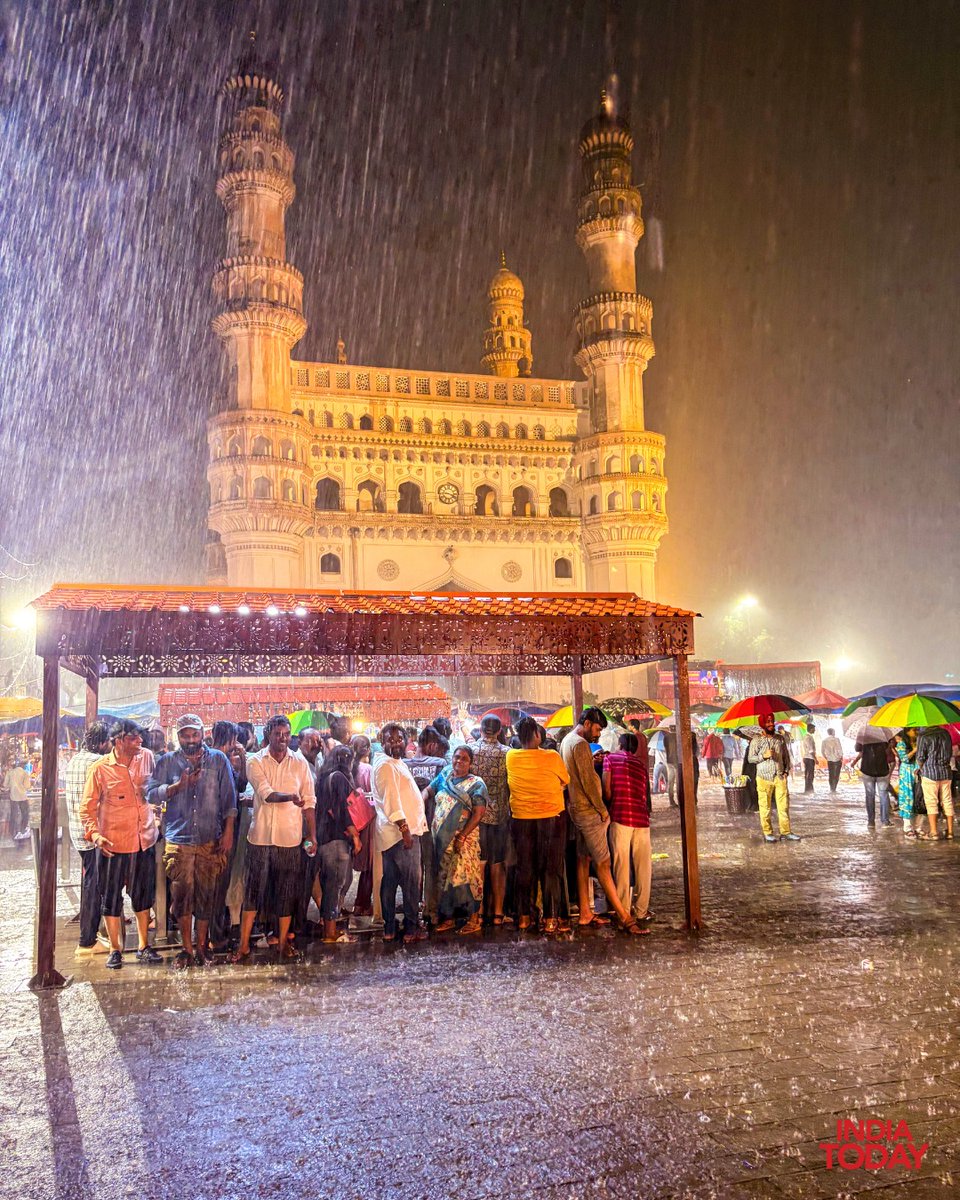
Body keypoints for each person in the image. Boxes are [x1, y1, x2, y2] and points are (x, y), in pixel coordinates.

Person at [147, 713, 236, 967]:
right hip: (179, 841)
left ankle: (202, 947)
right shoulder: (166, 762)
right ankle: (186, 949)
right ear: (178, 737)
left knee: (207, 896)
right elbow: (151, 794)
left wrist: (228, 832)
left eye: (194, 734)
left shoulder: (218, 760)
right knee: (182, 897)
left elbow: (229, 799)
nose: (191, 740)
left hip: (210, 840)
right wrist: (178, 787)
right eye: (185, 735)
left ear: (202, 734)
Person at [232, 715, 317, 962]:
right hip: (260, 839)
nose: (282, 739)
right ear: (268, 734)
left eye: (286, 734)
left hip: (290, 838)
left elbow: (310, 801)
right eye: (277, 734)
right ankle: (244, 944)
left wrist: (312, 835)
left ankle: (282, 944)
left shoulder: (299, 763)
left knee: (286, 893)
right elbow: (266, 794)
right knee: (253, 893)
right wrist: (290, 797)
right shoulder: (255, 761)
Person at [80, 720, 161, 969]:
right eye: (134, 738)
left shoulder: (147, 758)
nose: (140, 742)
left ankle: (143, 946)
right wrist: (95, 835)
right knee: (112, 899)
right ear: (118, 740)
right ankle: (115, 949)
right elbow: (87, 808)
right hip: (112, 845)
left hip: (144, 841)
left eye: (140, 737)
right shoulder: (100, 769)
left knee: (143, 897)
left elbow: (156, 788)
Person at [560, 707, 647, 935]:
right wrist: (602, 811)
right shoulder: (579, 744)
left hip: (576, 808)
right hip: (589, 812)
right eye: (597, 729)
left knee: (582, 859)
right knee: (604, 864)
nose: (598, 735)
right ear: (587, 723)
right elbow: (589, 782)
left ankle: (585, 913)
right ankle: (626, 917)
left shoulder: (568, 740)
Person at [505, 717, 569, 933]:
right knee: (550, 870)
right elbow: (565, 780)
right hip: (551, 819)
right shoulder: (551, 756)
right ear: (536, 735)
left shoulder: (511, 757)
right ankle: (550, 919)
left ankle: (524, 917)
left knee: (524, 869)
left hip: (521, 820)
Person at [422, 746, 488, 935]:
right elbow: (429, 789)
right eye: (456, 757)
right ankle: (449, 917)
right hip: (441, 839)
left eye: (464, 759)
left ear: (471, 762)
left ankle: (474, 919)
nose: (459, 761)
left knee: (467, 877)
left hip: (463, 839)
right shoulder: (445, 776)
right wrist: (421, 798)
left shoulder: (477, 784)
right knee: (445, 879)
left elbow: (478, 814)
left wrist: (462, 835)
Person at [373, 723, 428, 944]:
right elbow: (392, 802)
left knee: (391, 881)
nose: (395, 743)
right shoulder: (386, 766)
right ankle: (411, 928)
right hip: (400, 834)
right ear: (382, 741)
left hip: (394, 833)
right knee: (410, 882)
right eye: (390, 740)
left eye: (399, 739)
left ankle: (390, 928)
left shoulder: (393, 762)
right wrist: (405, 830)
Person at [65, 721, 112, 958]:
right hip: (93, 833)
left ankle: (97, 930)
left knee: (91, 882)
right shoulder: (97, 763)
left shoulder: (74, 760)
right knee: (93, 885)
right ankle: (86, 941)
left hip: (77, 831)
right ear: (103, 742)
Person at [603, 733, 653, 923]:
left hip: (621, 816)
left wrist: (609, 802)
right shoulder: (640, 765)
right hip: (641, 819)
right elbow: (645, 795)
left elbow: (607, 789)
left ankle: (624, 910)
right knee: (643, 867)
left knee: (621, 865)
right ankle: (641, 910)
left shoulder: (610, 758)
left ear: (620, 744)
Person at [314, 744, 362, 943]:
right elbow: (341, 810)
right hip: (336, 839)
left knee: (333, 884)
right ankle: (330, 933)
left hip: (324, 837)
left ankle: (329, 927)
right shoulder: (340, 778)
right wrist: (355, 835)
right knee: (336, 885)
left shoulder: (323, 778)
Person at [405, 726, 447, 924]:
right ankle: (430, 910)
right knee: (431, 867)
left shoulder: (404, 764)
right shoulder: (440, 764)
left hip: (409, 825)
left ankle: (412, 908)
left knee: (412, 869)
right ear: (432, 745)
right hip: (431, 824)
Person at [472, 714, 511, 925]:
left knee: (479, 864)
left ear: (480, 729)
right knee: (498, 864)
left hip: (476, 819)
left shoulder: (471, 750)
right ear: (499, 731)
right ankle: (497, 913)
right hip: (500, 818)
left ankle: (476, 912)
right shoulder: (507, 753)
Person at [748, 713, 800, 842]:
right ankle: (768, 832)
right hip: (763, 777)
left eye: (772, 721)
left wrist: (786, 771)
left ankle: (786, 832)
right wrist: (763, 756)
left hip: (780, 776)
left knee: (784, 806)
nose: (771, 724)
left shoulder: (780, 739)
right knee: (765, 807)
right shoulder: (757, 740)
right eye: (768, 722)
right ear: (762, 724)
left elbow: (786, 756)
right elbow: (750, 759)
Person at [347, 734, 376, 918]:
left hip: (349, 822)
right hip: (367, 821)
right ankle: (362, 904)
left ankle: (359, 903)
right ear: (368, 750)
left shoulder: (347, 768)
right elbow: (374, 797)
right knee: (369, 866)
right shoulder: (368, 769)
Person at [916, 724, 954, 840]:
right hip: (946, 772)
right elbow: (950, 752)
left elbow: (920, 757)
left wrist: (921, 767)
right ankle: (950, 832)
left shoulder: (923, 736)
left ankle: (933, 832)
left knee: (931, 802)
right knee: (947, 801)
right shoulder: (946, 734)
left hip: (929, 773)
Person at [851, 736, 893, 829]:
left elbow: (858, 750)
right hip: (882, 769)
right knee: (884, 795)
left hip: (867, 769)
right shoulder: (884, 734)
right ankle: (885, 821)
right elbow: (888, 751)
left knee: (870, 795)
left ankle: (871, 822)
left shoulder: (863, 734)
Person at [894, 729, 919, 838]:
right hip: (907, 772)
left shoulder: (918, 741)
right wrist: (914, 751)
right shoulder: (901, 743)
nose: (915, 731)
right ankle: (907, 826)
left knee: (918, 797)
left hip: (916, 771)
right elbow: (904, 758)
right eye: (914, 730)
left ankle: (918, 826)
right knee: (908, 796)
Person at [4, 758, 31, 841]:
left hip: (13, 796)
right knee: (24, 814)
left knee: (14, 814)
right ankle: (22, 830)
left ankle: (13, 831)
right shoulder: (25, 773)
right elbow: (27, 786)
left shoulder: (10, 773)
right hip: (22, 796)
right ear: (23, 766)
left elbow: (5, 785)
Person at [821, 727, 844, 795]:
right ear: (833, 732)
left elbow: (822, 751)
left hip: (830, 760)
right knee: (836, 774)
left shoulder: (824, 741)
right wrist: (841, 757)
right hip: (837, 759)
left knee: (831, 774)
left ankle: (831, 788)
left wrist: (826, 757)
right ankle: (834, 788)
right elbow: (839, 749)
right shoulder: (837, 739)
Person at [801, 724, 817, 794]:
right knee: (810, 775)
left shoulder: (806, 737)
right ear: (810, 729)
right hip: (809, 758)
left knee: (808, 774)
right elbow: (811, 750)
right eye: (814, 729)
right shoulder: (809, 737)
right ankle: (809, 790)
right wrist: (815, 758)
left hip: (807, 757)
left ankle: (808, 789)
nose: (814, 730)